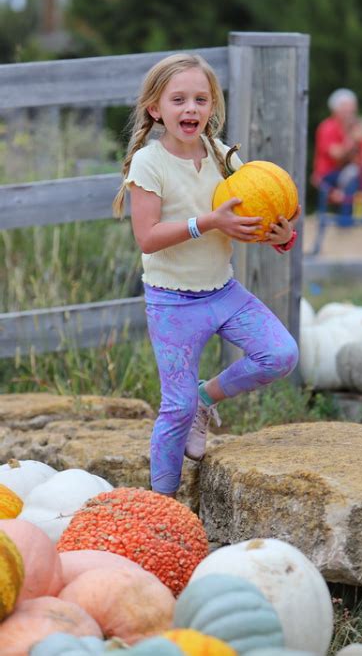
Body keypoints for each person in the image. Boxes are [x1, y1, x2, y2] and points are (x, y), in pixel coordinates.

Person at [112, 53, 300, 498]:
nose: (190, 109)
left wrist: (284, 235)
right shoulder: (149, 164)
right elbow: (148, 237)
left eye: (201, 98)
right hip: (173, 302)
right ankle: (162, 504)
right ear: (156, 109)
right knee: (174, 408)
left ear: (212, 105)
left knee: (281, 354)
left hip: (224, 291)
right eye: (178, 100)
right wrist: (209, 222)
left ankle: (207, 397)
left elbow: (257, 210)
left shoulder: (224, 156)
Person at [312, 88, 362, 227]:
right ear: (336, 109)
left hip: (349, 172)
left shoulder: (355, 127)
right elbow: (336, 155)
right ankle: (347, 220)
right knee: (354, 173)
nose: (350, 111)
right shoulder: (327, 127)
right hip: (329, 174)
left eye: (352, 107)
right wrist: (353, 140)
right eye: (347, 107)